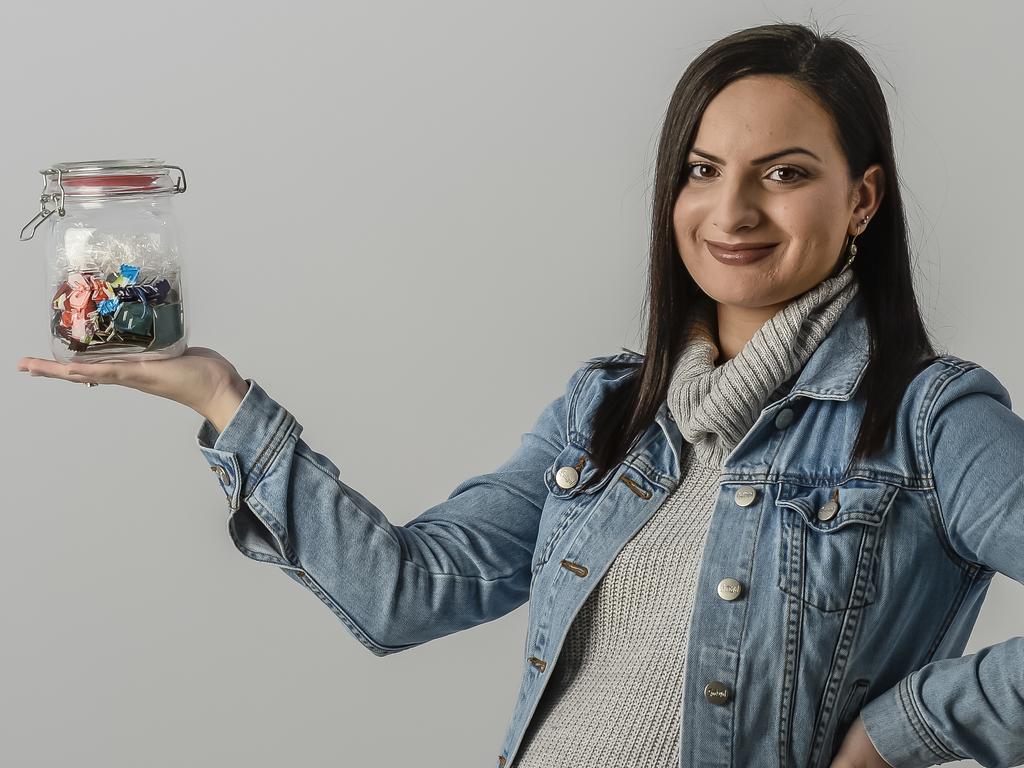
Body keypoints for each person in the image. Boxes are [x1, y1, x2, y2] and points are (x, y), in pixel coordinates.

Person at [18, 21, 1024, 768]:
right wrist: (222, 399)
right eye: (702, 169)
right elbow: (406, 594)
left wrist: (905, 729)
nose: (731, 210)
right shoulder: (605, 414)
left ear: (861, 198)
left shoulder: (928, 421)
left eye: (784, 173)